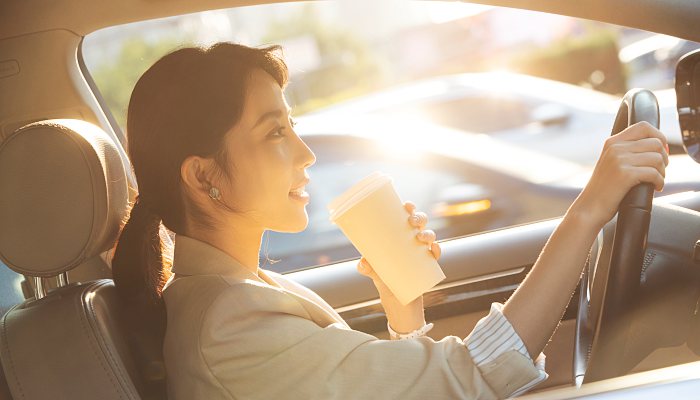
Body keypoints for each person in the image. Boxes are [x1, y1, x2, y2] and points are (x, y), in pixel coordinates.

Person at [111, 43, 669, 400]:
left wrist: (406, 320)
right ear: (204, 174)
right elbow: (472, 377)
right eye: (275, 133)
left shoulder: (238, 293)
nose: (306, 154)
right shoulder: (230, 326)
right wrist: (589, 210)